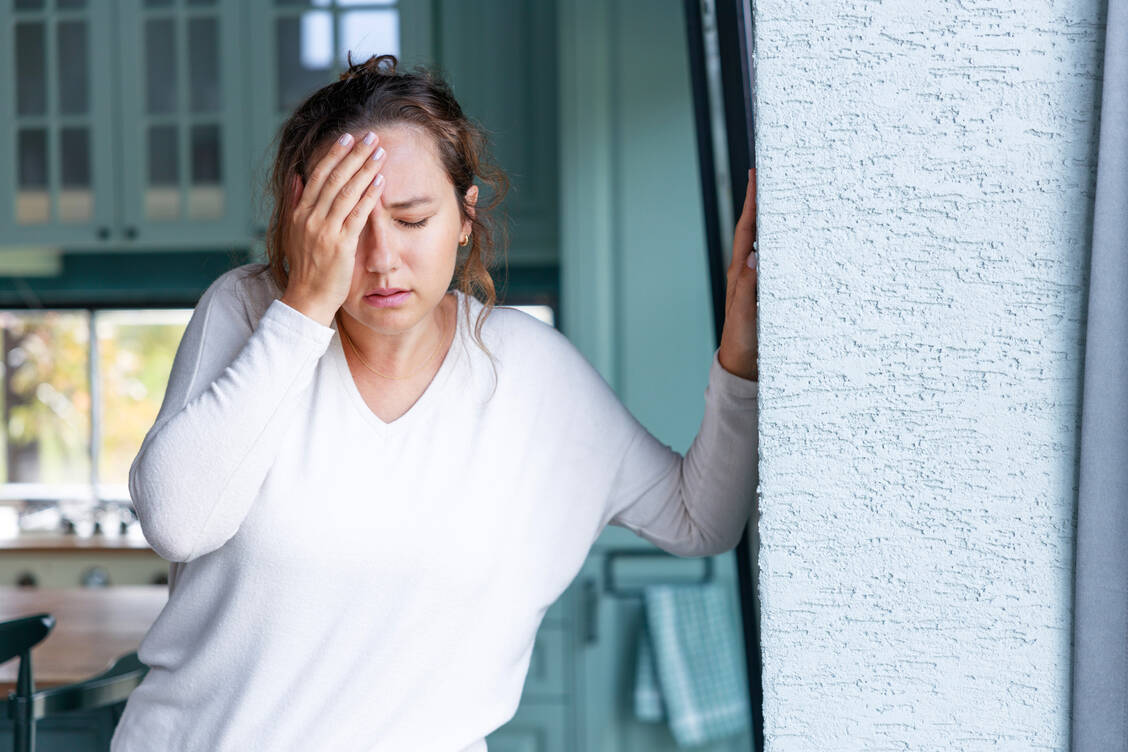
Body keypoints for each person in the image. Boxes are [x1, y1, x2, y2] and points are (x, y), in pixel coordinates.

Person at [110, 53, 760, 752]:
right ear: (304, 220)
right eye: (349, 225)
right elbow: (174, 523)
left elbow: (702, 519)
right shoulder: (250, 312)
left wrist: (742, 361)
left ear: (463, 216)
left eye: (412, 219)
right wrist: (302, 308)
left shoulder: (529, 370)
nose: (382, 258)